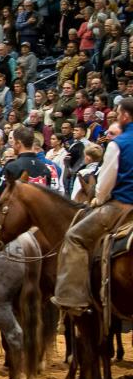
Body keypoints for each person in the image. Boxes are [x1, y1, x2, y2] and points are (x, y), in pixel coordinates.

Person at [56, 98, 133, 309]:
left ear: (125, 116)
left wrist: (99, 198)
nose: (117, 117)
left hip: (123, 206)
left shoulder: (119, 144)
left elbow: (106, 184)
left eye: (118, 114)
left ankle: (73, 299)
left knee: (74, 237)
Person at [0, 125, 54, 197]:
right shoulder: (45, 168)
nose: (12, 145)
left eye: (13, 142)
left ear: (18, 144)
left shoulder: (12, 167)